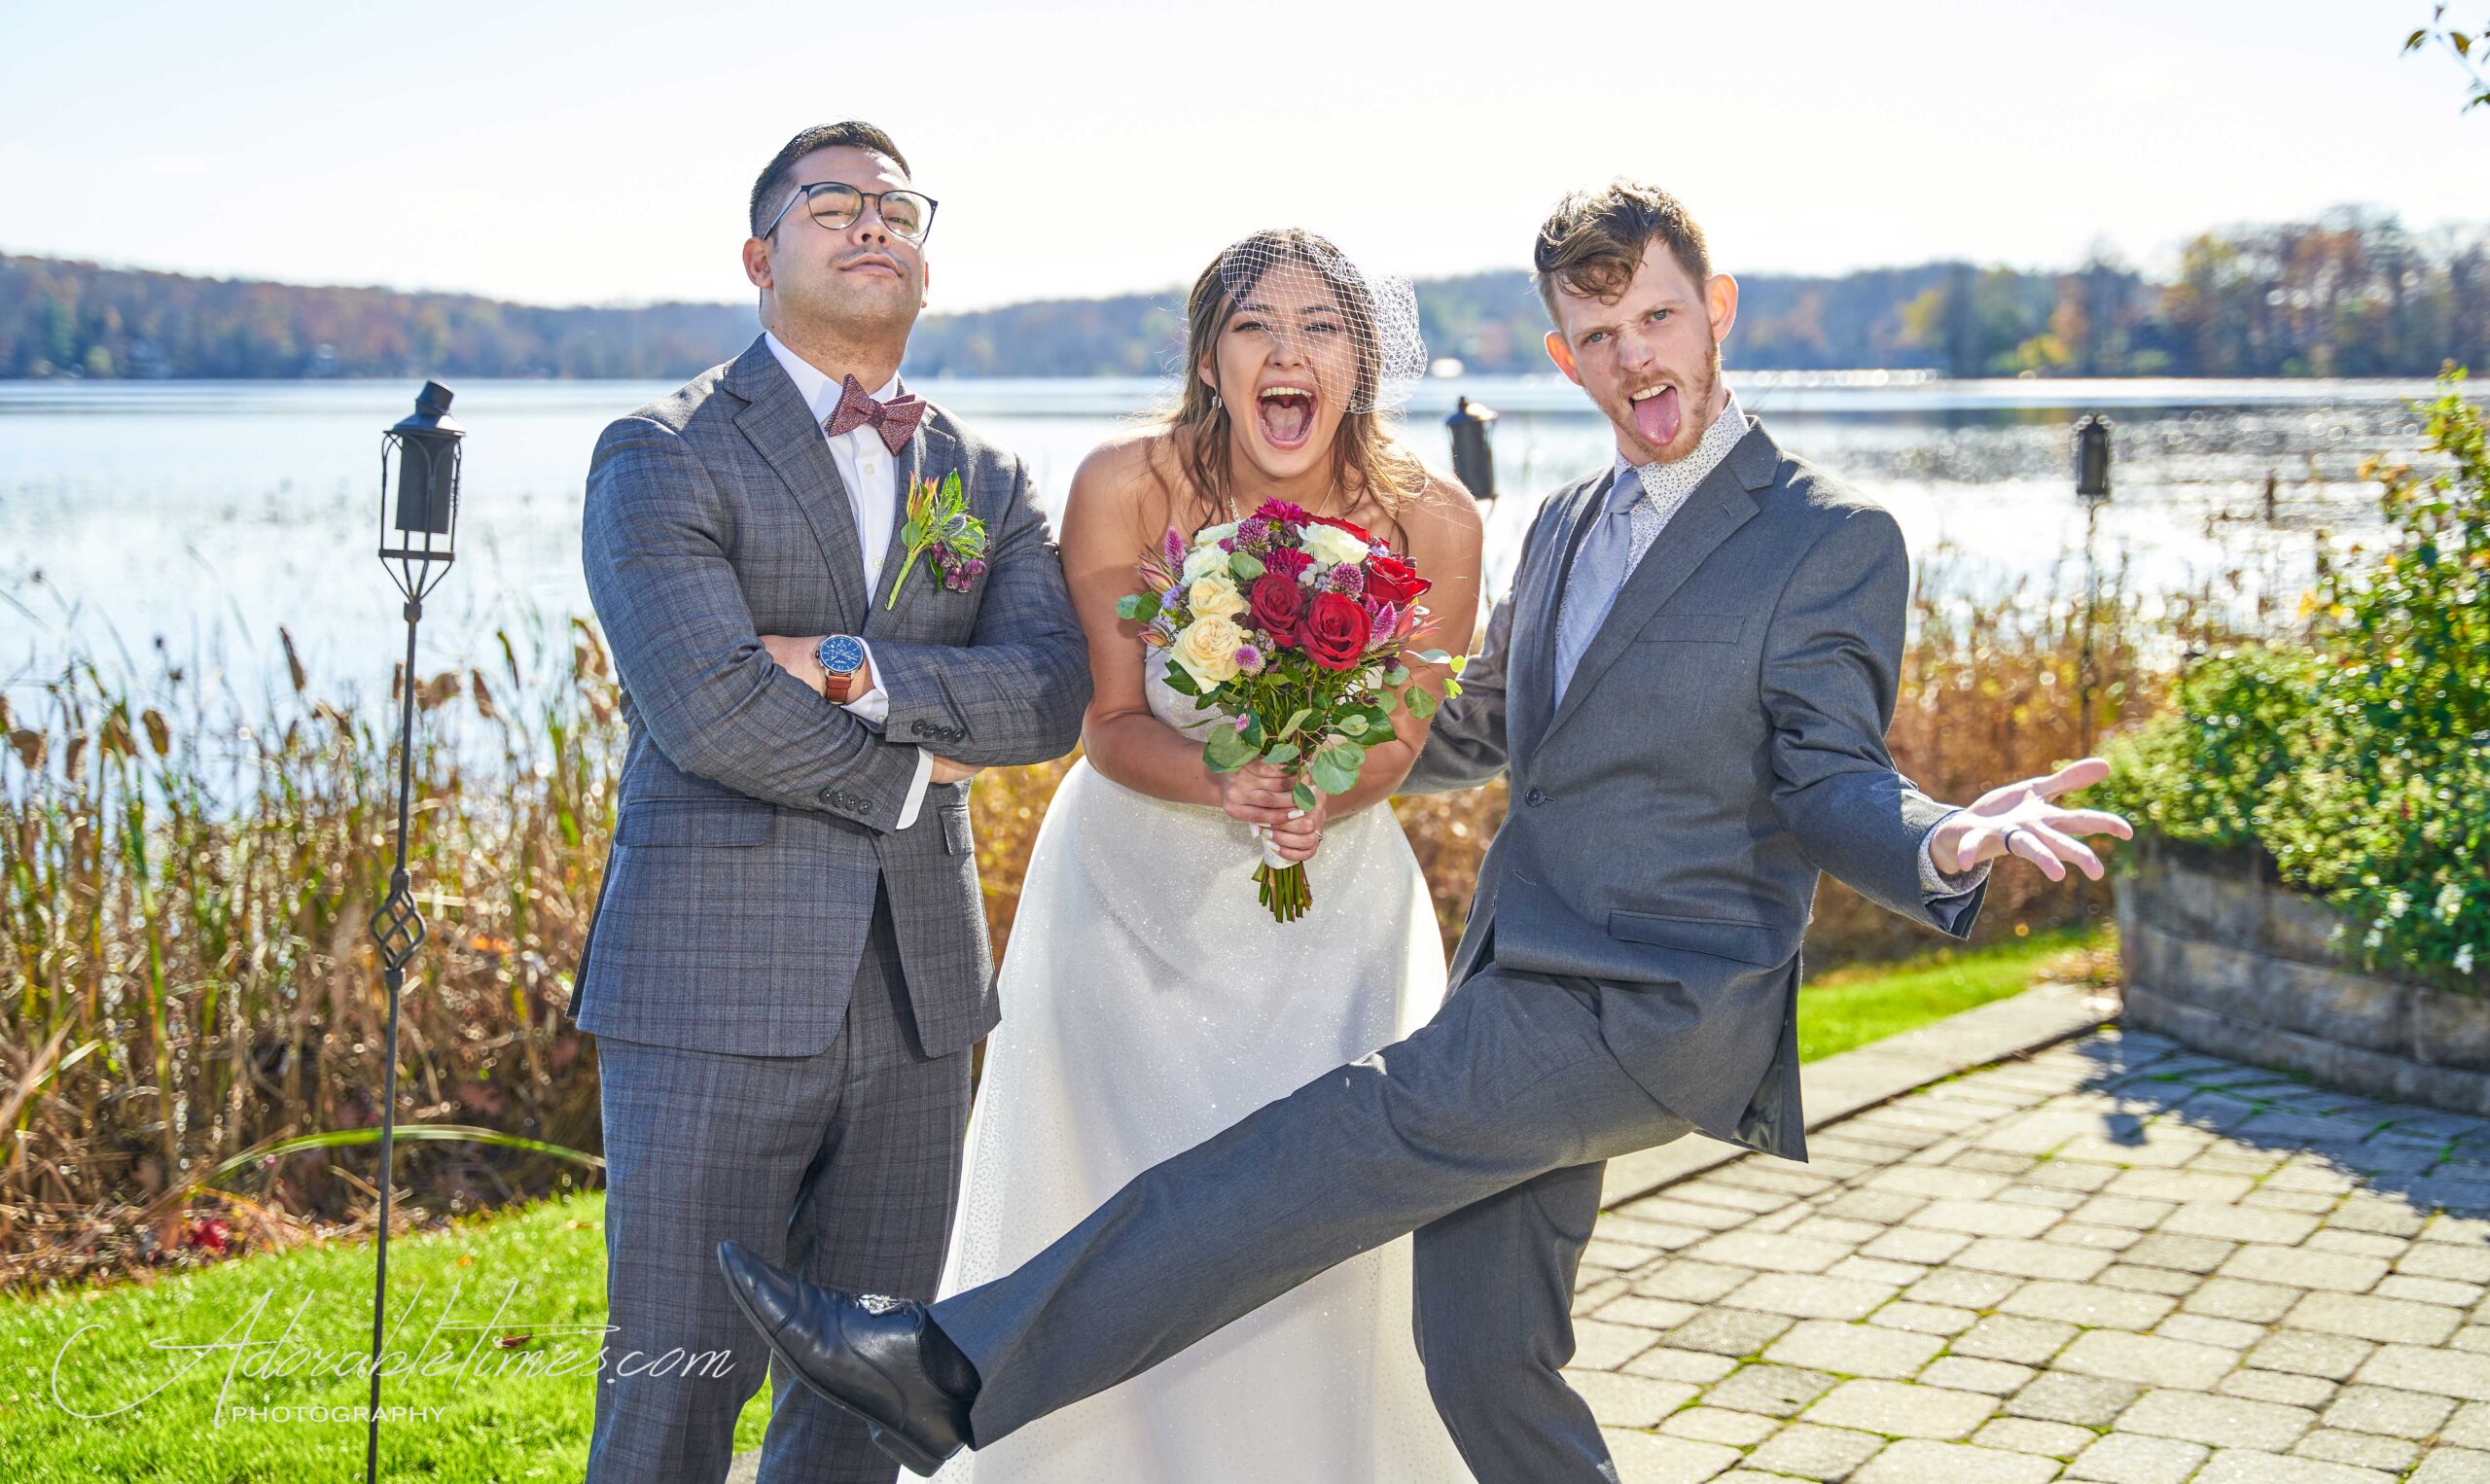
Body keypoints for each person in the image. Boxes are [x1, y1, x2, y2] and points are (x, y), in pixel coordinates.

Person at [718, 179, 2132, 1484]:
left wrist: (1939, 837)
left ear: (1718, 310)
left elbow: (1831, 778)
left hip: (1653, 1000)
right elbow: (1471, 726)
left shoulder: (1828, 534)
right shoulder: (1567, 521)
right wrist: (1305, 727)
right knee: (1482, 1359)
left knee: (1323, 1148)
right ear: (1563, 354)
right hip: (1522, 976)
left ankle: (949, 1368)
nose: (1635, 358)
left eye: (1656, 318)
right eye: (1598, 335)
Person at [886, 229, 1483, 1484]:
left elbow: (1400, 738)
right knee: (1113, 1197)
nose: (1287, 351)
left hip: (1333, 916)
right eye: (1255, 324)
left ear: (1362, 361)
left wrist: (1317, 792)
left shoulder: (1434, 518)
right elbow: (1110, 721)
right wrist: (1224, 777)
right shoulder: (1126, 485)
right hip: (1129, 914)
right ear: (1210, 359)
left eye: (1321, 326)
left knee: (1323, 1231)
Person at [573, 120, 1088, 1484]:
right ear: (759, 258)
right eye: (831, 204)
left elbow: (1050, 694)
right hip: (708, 993)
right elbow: (709, 706)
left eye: (898, 209)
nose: (872, 223)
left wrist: (852, 667)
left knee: (866, 1406)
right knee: (673, 1394)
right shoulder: (661, 450)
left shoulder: (985, 476)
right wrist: (920, 761)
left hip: (920, 1002)